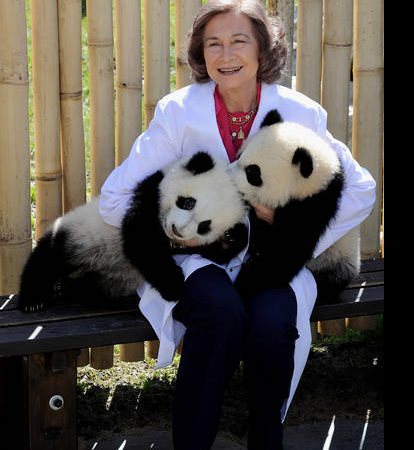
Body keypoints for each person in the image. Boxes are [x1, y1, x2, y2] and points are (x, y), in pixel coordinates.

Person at [98, 0, 376, 448]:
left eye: (239, 41)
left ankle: (266, 441)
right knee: (219, 313)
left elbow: (361, 189)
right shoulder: (178, 112)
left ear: (264, 49)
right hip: (195, 259)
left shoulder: (301, 113)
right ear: (200, 54)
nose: (226, 56)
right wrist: (185, 230)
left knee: (271, 323)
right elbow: (114, 200)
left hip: (272, 259)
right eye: (214, 44)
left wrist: (292, 237)